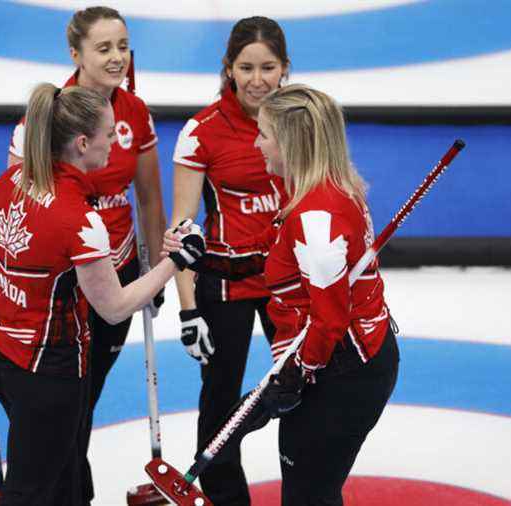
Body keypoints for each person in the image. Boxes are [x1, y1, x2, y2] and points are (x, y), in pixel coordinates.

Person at [0, 83, 204, 505]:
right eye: (110, 135)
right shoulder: (80, 220)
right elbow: (113, 308)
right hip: (52, 370)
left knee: (60, 474)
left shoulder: (4, 184)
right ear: (82, 143)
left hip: (3, 355)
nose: (115, 144)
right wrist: (176, 261)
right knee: (33, 489)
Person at [167, 84, 400, 505]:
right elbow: (273, 259)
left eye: (265, 134)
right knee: (313, 492)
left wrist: (292, 377)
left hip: (345, 371)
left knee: (307, 495)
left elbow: (329, 319)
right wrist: (207, 262)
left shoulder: (317, 217)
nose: (257, 144)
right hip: (342, 363)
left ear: (291, 141)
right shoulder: (315, 190)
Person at [5, 6, 166, 501]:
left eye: (122, 46)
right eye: (104, 48)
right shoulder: (49, 113)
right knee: (61, 407)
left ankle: (72, 490)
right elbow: (15, 205)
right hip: (58, 289)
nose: (117, 57)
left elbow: (150, 198)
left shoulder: (134, 112)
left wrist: (155, 270)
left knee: (83, 402)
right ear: (74, 54)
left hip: (115, 274)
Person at [170, 16, 289, 505]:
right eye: (247, 67)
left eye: (268, 67)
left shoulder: (299, 121)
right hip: (225, 285)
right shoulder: (201, 132)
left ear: (285, 69)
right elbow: (181, 228)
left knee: (305, 390)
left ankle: (305, 489)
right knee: (221, 399)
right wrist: (187, 309)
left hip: (287, 281)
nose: (258, 79)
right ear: (229, 69)